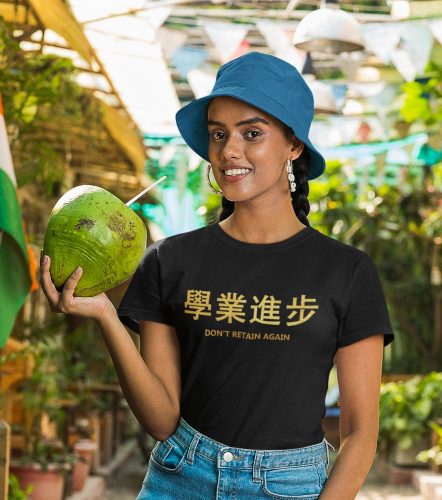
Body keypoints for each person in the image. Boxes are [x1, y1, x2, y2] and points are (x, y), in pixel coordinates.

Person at [39, 51, 394, 499]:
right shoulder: (169, 262)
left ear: (294, 145)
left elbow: (360, 433)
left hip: (289, 487)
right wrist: (107, 316)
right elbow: (162, 419)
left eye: (252, 133)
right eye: (218, 134)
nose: (230, 151)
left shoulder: (346, 271)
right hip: (179, 478)